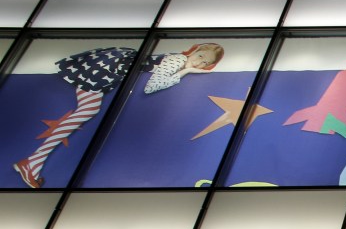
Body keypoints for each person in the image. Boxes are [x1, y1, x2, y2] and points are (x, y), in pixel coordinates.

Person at [13, 44, 223, 189]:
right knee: (87, 110)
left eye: (205, 63)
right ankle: (32, 162)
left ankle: (33, 162)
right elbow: (152, 86)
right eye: (200, 56)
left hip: (110, 68)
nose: (199, 63)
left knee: (87, 110)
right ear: (194, 50)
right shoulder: (176, 60)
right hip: (107, 68)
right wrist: (185, 72)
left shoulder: (176, 59)